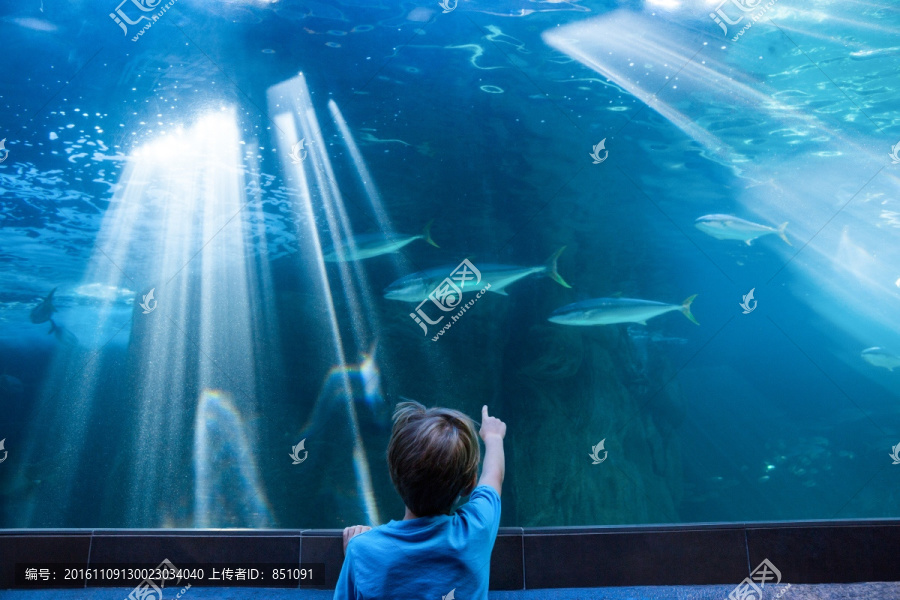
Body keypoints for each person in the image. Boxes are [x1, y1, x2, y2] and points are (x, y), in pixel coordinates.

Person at [334, 402, 507, 600]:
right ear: (470, 485)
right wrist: (493, 438)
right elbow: (493, 476)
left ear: (393, 475)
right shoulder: (477, 528)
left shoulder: (362, 550)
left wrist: (357, 555)